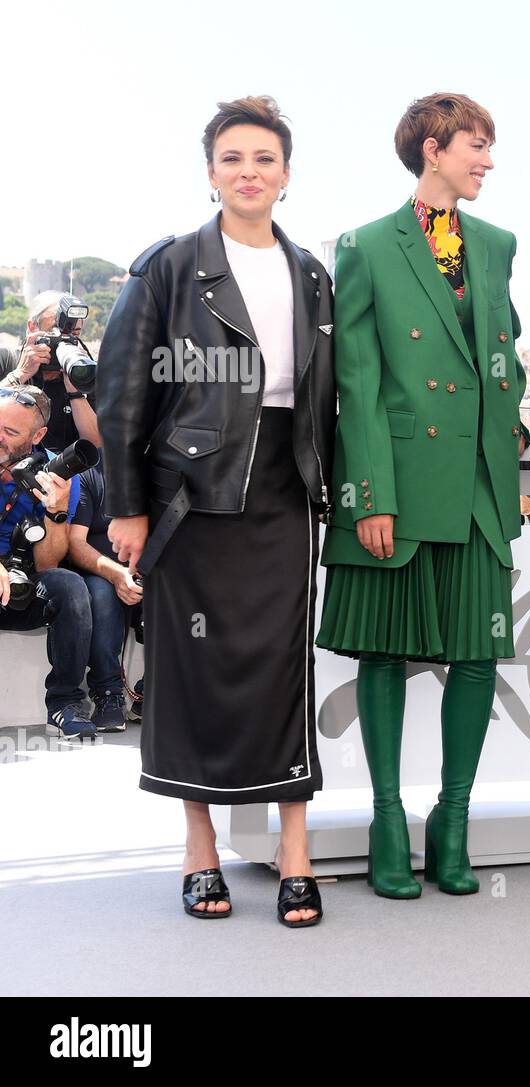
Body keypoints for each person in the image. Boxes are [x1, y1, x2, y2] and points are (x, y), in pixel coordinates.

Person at [97, 96, 336, 927]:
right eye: (232, 159)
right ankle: (199, 851)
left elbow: (325, 396)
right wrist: (126, 505)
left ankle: (296, 849)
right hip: (192, 497)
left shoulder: (311, 272)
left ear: (286, 176)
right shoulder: (165, 267)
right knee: (192, 672)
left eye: (264, 159)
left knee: (283, 672)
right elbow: (122, 392)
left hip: (282, 489)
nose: (249, 173)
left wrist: (335, 489)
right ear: (210, 174)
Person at [316, 93, 528, 900]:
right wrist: (369, 493)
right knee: (383, 653)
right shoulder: (366, 245)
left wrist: (511, 445)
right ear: (433, 148)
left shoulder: (498, 244)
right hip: (397, 486)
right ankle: (385, 820)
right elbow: (357, 380)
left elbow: (500, 350)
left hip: (477, 484)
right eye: (477, 144)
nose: (487, 160)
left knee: (476, 656)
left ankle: (453, 822)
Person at [0, 384, 91, 738]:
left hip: (22, 583)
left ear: (37, 435)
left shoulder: (57, 471)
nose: (1, 438)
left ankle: (65, 704)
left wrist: (54, 511)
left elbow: (50, 562)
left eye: (10, 432)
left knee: (69, 586)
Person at [66, 460, 141, 733]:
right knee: (101, 593)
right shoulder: (90, 474)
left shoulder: (165, 471)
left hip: (150, 567)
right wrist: (118, 574)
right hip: (100, 571)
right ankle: (108, 694)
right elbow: (75, 542)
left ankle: (153, 691)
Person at [1, 291, 101, 451]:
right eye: (56, 332)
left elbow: (95, 444)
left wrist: (76, 392)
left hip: (64, 472)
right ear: (32, 328)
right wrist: (20, 374)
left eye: (74, 334)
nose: (64, 340)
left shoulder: (85, 372)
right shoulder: (6, 360)